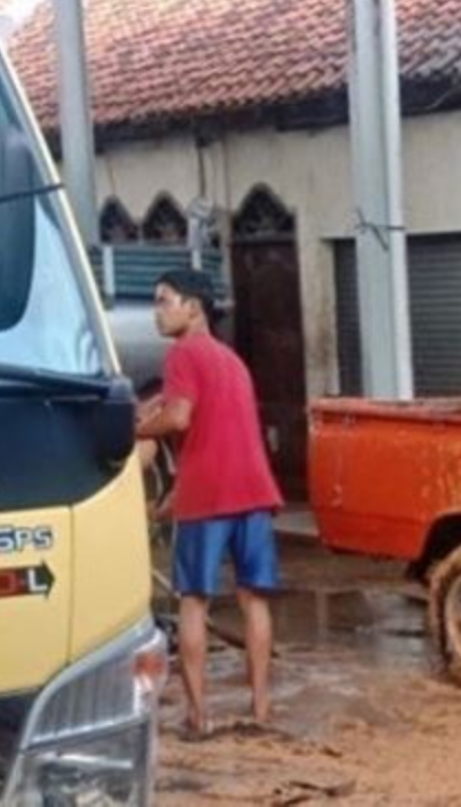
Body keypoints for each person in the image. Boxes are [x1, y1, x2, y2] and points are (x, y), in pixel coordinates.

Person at [136, 269, 282, 738]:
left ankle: (199, 718)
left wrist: (131, 430)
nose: (157, 311)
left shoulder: (182, 353)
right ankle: (261, 710)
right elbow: (218, 428)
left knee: (193, 602)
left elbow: (179, 417)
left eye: (164, 301)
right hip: (255, 491)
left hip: (209, 496)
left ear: (193, 308)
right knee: (254, 599)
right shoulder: (231, 360)